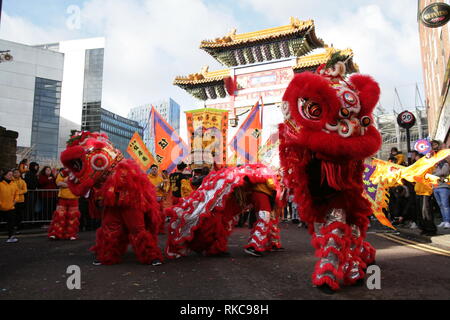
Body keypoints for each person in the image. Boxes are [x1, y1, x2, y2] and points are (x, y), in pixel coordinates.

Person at [47, 169, 81, 240]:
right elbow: (58, 183)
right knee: (59, 216)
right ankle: (56, 233)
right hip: (63, 198)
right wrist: (71, 185)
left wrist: (65, 183)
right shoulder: (63, 173)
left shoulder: (78, 173)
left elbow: (79, 183)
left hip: (74, 198)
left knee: (72, 217)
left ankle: (71, 234)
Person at [430, 140, 450, 229]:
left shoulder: (444, 162)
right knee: (440, 205)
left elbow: (444, 171)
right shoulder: (433, 164)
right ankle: (444, 220)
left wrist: (434, 174)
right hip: (436, 186)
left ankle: (447, 221)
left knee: (445, 205)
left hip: (443, 186)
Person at [0, 169, 19, 243]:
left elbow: (17, 193)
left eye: (12, 174)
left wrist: (15, 201)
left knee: (11, 223)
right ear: (5, 175)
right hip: (1, 207)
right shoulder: (0, 184)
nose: (11, 176)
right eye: (9, 174)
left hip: (11, 206)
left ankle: (11, 237)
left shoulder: (13, 184)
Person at [147, 164, 166, 233]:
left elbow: (164, 188)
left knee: (161, 215)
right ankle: (153, 230)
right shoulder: (147, 178)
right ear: (150, 170)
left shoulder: (160, 178)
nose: (154, 170)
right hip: (152, 200)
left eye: (155, 169)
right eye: (153, 169)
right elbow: (147, 188)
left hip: (160, 199)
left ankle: (161, 229)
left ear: (157, 170)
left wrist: (163, 188)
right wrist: (156, 186)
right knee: (153, 215)